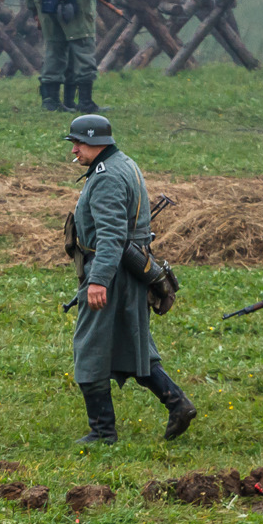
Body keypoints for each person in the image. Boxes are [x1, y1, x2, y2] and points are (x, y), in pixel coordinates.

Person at [63, 115, 196, 445]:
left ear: (97, 143)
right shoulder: (123, 163)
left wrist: (98, 280)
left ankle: (102, 431)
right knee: (134, 344)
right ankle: (177, 403)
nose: (74, 150)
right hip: (128, 270)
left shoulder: (107, 177)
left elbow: (110, 235)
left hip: (113, 271)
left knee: (90, 348)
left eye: (78, 143)